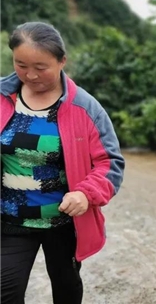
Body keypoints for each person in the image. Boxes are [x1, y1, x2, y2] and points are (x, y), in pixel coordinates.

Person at [0, 22, 125, 304]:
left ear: (62, 61)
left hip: (64, 222)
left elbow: (110, 163)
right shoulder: (1, 98)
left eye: (41, 67)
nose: (30, 75)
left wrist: (85, 193)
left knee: (66, 288)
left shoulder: (85, 107)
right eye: (21, 65)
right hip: (9, 221)